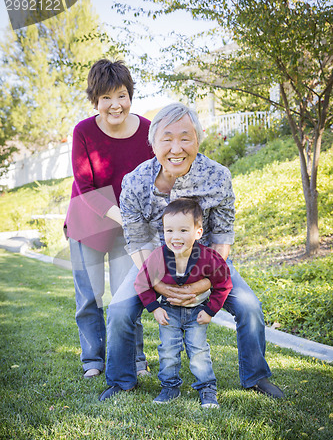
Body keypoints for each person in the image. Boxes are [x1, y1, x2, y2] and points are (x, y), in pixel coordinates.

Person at [99, 102, 284, 401]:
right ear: (153, 143)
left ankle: (255, 377)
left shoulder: (218, 176)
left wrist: (205, 283)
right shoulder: (133, 182)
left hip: (209, 262)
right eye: (167, 139)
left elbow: (223, 235)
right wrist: (159, 285)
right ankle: (122, 381)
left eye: (185, 138)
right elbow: (136, 239)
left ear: (198, 139)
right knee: (120, 310)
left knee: (249, 307)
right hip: (153, 263)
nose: (176, 148)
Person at [64, 59, 154, 378]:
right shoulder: (83, 132)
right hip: (88, 222)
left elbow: (154, 180)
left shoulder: (147, 131)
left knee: (126, 295)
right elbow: (87, 187)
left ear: (130, 95)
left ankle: (135, 358)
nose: (115, 105)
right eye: (106, 98)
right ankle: (92, 360)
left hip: (126, 228)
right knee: (90, 297)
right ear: (95, 101)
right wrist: (127, 218)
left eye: (121, 95)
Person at [134, 198, 233, 407]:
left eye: (183, 230)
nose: (175, 237)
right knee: (168, 351)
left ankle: (207, 389)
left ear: (198, 232)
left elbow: (223, 283)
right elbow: (142, 282)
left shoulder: (208, 258)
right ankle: (170, 387)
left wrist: (210, 310)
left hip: (197, 312)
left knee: (198, 351)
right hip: (169, 311)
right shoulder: (158, 256)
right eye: (169, 231)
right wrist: (154, 308)